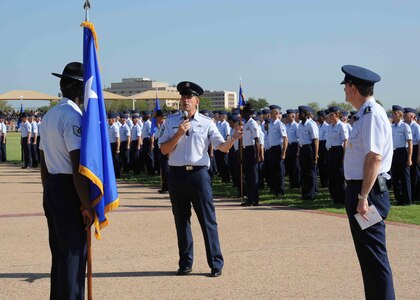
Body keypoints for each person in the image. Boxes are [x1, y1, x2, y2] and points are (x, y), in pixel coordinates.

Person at [159, 81, 242, 277]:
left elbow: (221, 147)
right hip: (177, 174)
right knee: (181, 220)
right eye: (183, 97)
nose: (185, 101)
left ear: (197, 101)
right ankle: (185, 263)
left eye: (189, 98)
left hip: (199, 175)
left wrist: (233, 139)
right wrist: (179, 133)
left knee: (207, 220)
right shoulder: (171, 122)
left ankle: (215, 263)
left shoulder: (206, 122)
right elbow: (163, 150)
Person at [39, 62, 94, 299]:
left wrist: (49, 191)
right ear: (76, 88)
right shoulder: (73, 117)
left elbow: (42, 160)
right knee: (73, 255)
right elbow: (77, 165)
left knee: (59, 255)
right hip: (70, 189)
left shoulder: (49, 115)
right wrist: (86, 204)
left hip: (52, 186)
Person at [341, 65, 395, 299]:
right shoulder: (365, 114)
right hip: (363, 190)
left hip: (368, 193)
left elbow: (374, 158)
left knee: (374, 258)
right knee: (369, 259)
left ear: (353, 87)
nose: (344, 91)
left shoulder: (371, 114)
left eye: (346, 86)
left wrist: (362, 198)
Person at [325, 106, 349, 204]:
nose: (330, 117)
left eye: (332, 115)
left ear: (337, 115)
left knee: (339, 176)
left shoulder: (342, 126)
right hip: (330, 151)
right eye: (329, 115)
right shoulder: (329, 126)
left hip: (338, 151)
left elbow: (345, 141)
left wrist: (344, 157)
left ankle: (341, 198)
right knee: (332, 175)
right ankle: (334, 196)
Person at [391, 105, 412, 205]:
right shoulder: (391, 127)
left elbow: (410, 142)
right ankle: (398, 199)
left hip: (402, 152)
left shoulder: (405, 126)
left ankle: (407, 200)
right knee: (395, 177)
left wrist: (410, 157)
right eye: (393, 113)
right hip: (393, 152)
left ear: (400, 115)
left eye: (395, 114)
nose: (393, 115)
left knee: (404, 177)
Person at [297, 106, 319, 200]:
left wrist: (315, 155)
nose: (298, 115)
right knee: (304, 172)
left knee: (310, 172)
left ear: (306, 114)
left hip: (309, 148)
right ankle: (304, 193)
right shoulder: (300, 125)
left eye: (300, 113)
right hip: (302, 149)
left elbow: (315, 140)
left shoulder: (311, 124)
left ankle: (311, 194)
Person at [267, 105, 288, 197]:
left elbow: (285, 138)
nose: (270, 114)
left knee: (279, 170)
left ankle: (280, 190)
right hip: (272, 148)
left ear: (276, 113)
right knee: (272, 170)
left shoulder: (279, 124)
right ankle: (275, 189)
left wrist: (283, 152)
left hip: (278, 148)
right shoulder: (271, 123)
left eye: (271, 112)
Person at [404, 107, 420, 201]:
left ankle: (416, 194)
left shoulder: (416, 127)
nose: (404, 117)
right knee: (410, 173)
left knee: (415, 173)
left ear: (412, 116)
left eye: (406, 115)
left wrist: (418, 156)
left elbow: (419, 142)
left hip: (415, 149)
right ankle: (411, 193)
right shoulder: (406, 125)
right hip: (408, 149)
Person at [317, 110, 329, 188]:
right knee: (320, 165)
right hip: (319, 144)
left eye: (319, 117)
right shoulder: (318, 126)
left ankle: (326, 182)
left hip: (324, 145)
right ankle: (322, 182)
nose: (318, 118)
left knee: (325, 165)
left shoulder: (326, 126)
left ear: (322, 117)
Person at [108, 112, 121, 179]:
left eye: (109, 119)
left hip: (114, 145)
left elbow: (118, 138)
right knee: (110, 160)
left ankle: (117, 175)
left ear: (113, 120)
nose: (108, 120)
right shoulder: (108, 125)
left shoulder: (115, 127)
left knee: (116, 160)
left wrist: (118, 148)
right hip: (109, 145)